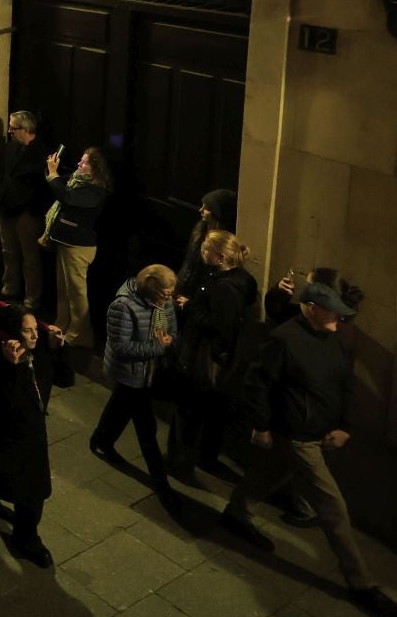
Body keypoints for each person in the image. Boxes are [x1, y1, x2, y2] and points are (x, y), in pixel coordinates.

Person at [219, 280, 397, 617]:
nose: (340, 316)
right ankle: (362, 583)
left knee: (273, 472)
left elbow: (345, 384)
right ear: (312, 309)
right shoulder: (283, 339)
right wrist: (260, 425)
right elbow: (257, 382)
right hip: (298, 436)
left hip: (317, 433)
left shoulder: (336, 340)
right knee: (333, 508)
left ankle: (236, 512)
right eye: (333, 310)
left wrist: (345, 426)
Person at [167, 228, 258, 483]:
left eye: (207, 248)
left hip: (202, 357)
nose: (202, 251)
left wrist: (191, 306)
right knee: (211, 412)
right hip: (221, 361)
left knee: (189, 411)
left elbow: (220, 326)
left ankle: (180, 463)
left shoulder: (224, 288)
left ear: (219, 256)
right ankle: (206, 457)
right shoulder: (242, 279)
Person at [90, 263, 182, 513]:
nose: (170, 298)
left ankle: (101, 439)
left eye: (171, 293)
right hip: (130, 373)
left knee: (119, 407)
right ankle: (162, 485)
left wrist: (169, 341)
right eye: (165, 293)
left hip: (150, 374)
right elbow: (122, 347)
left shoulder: (164, 303)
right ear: (151, 289)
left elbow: (172, 330)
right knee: (146, 428)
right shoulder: (123, 306)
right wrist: (158, 347)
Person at [0, 303, 58, 568]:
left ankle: (25, 535)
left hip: (34, 436)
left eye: (35, 329)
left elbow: (63, 378)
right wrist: (13, 367)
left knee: (34, 491)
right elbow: (6, 405)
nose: (35, 336)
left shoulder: (38, 355)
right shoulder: (1, 363)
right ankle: (23, 537)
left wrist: (57, 348)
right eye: (27, 332)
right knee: (23, 488)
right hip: (9, 437)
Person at [42, 144, 112, 357]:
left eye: (84, 163)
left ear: (96, 169)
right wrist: (52, 172)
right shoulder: (77, 180)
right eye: (80, 161)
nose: (79, 165)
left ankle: (80, 333)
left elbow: (67, 199)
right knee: (63, 287)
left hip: (79, 247)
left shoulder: (96, 190)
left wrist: (53, 175)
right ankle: (62, 322)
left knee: (77, 291)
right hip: (64, 241)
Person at [0, 111, 52, 310]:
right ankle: (10, 288)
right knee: (8, 251)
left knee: (30, 258)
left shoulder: (42, 153)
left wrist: (32, 209)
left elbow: (42, 186)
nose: (10, 132)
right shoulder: (12, 146)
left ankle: (31, 298)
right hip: (6, 205)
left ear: (26, 129)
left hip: (27, 211)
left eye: (13, 128)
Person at [177, 188, 238, 299]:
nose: (201, 210)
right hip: (185, 287)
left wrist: (192, 302)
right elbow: (189, 263)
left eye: (207, 208)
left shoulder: (223, 242)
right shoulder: (201, 229)